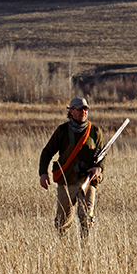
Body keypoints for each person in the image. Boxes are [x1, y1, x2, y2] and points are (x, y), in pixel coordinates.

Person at [39, 97, 106, 239]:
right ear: (71, 111)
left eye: (85, 109)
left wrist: (99, 168)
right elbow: (47, 152)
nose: (83, 111)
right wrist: (43, 173)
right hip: (67, 179)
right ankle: (63, 250)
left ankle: (85, 248)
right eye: (80, 109)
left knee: (86, 217)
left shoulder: (95, 131)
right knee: (62, 220)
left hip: (87, 180)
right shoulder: (62, 131)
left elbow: (102, 153)